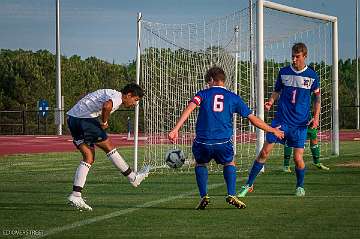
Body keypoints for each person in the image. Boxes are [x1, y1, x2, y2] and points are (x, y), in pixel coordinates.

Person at [168, 66, 284, 210]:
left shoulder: (202, 94)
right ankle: (231, 194)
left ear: (211, 79)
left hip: (203, 141)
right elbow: (253, 119)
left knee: (200, 163)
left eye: (208, 82)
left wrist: (176, 129)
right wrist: (272, 129)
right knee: (229, 163)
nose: (207, 84)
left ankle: (204, 196)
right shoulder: (233, 97)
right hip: (223, 142)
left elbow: (190, 108)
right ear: (223, 81)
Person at [238, 42, 320, 197]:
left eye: (297, 57)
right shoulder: (283, 72)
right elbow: (277, 91)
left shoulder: (312, 75)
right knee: (264, 152)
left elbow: (317, 98)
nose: (294, 59)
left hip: (300, 124)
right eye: (293, 56)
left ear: (304, 56)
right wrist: (270, 101)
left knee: (297, 159)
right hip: (281, 121)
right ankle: (248, 185)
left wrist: (315, 117)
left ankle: (300, 186)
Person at [66, 83, 150, 211]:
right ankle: (133, 177)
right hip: (84, 119)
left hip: (72, 119)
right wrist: (104, 122)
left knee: (88, 157)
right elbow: (107, 106)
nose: (135, 104)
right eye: (135, 100)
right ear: (128, 95)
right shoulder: (117, 97)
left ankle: (76, 195)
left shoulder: (112, 93)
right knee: (108, 146)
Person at [283, 94, 329, 173]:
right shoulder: (291, 88)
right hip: (294, 118)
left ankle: (317, 162)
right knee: (290, 140)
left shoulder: (309, 89)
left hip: (307, 118)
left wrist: (315, 117)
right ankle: (286, 165)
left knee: (314, 138)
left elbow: (316, 101)